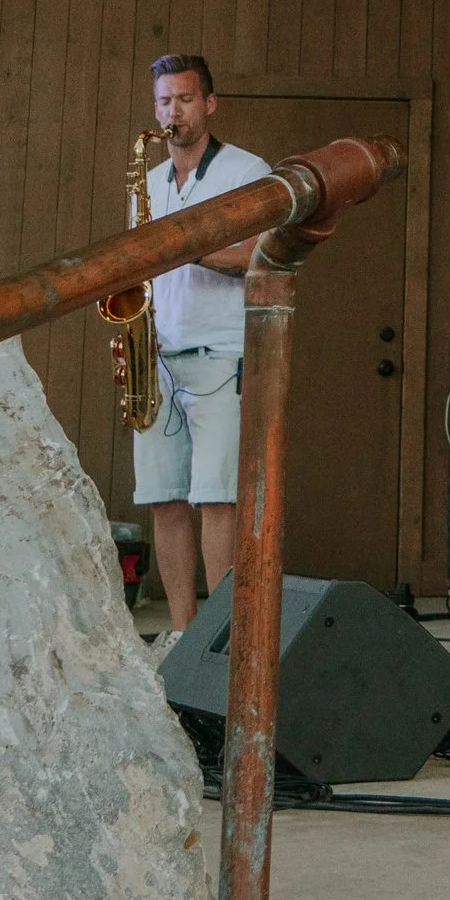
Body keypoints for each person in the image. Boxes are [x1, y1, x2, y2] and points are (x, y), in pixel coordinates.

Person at [135, 52, 270, 637]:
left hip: (221, 355)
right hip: (155, 356)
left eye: (185, 100)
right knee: (163, 500)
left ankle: (224, 640)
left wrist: (181, 247)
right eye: (165, 101)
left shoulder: (246, 170)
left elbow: (260, 258)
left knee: (217, 500)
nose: (174, 112)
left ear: (209, 104)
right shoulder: (147, 179)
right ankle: (184, 637)